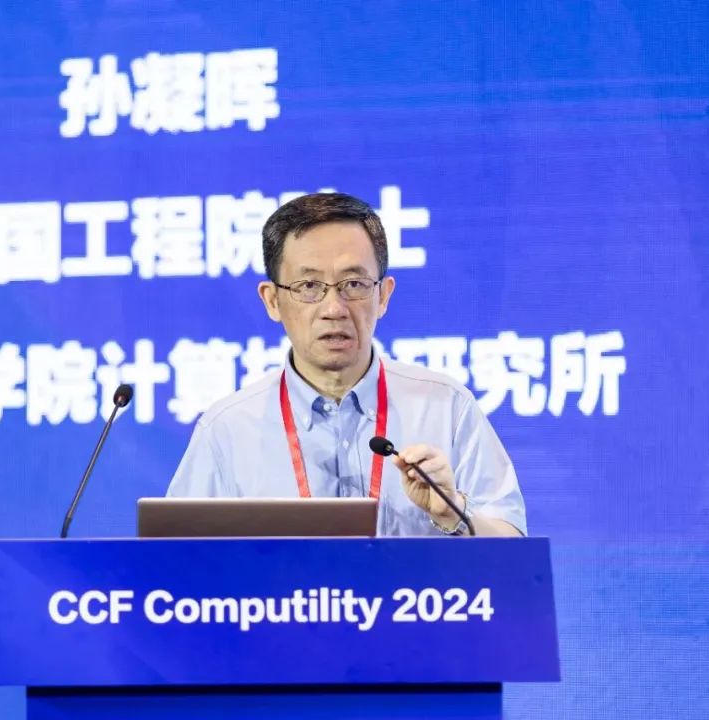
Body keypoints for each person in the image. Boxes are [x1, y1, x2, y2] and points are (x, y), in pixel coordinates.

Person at [166, 192, 525, 537]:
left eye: (353, 284)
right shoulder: (227, 429)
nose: (333, 308)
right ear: (272, 300)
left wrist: (452, 512)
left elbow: (513, 551)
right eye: (309, 285)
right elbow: (175, 561)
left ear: (383, 295)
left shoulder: (446, 407)